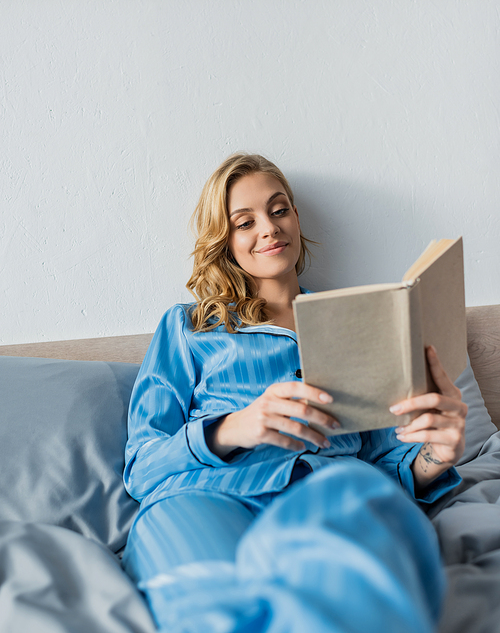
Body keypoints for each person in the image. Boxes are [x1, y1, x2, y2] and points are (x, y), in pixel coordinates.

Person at [122, 153, 467, 633]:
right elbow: (142, 466)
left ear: (297, 219)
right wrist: (232, 427)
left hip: (326, 490)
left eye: (279, 209)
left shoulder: (356, 324)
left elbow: (391, 463)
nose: (269, 228)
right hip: (206, 495)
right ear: (225, 241)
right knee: (217, 613)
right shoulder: (188, 328)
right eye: (245, 222)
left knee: (356, 576)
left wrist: (436, 455)